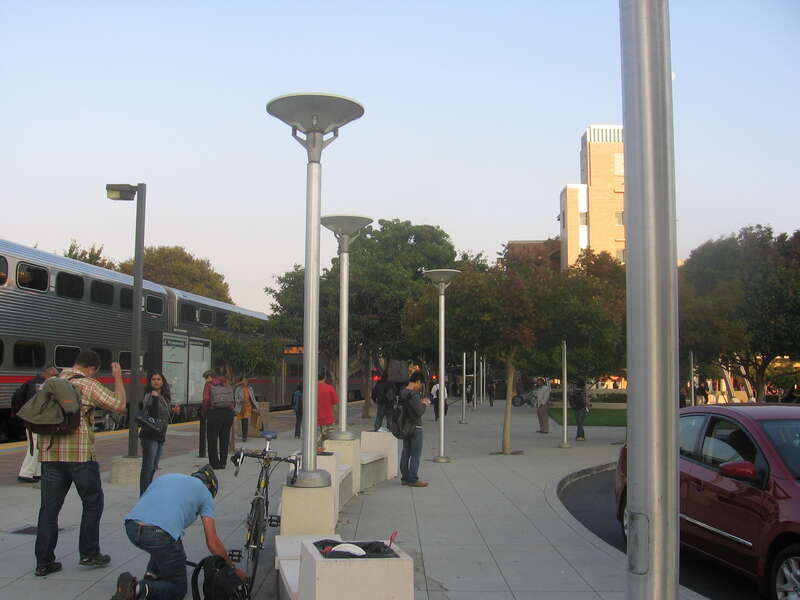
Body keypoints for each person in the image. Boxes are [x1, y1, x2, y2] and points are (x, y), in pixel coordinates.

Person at [34, 350, 126, 577]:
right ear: (92, 368)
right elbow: (119, 405)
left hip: (50, 455)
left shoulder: (50, 383)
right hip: (80, 456)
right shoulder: (88, 384)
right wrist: (118, 379)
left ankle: (44, 563)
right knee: (93, 503)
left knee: (49, 510)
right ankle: (89, 553)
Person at [112, 465, 247, 600]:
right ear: (209, 486)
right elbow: (212, 542)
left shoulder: (167, 477)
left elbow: (152, 511)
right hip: (158, 534)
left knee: (169, 548)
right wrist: (233, 569)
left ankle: (151, 576)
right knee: (178, 588)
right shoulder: (205, 493)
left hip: (131, 526)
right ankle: (137, 589)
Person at [12, 365, 59, 483]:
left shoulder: (32, 383)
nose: (56, 378)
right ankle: (25, 473)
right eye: (55, 376)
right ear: (48, 374)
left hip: (30, 420)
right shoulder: (40, 386)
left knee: (38, 446)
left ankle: (37, 473)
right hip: (36, 422)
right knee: (35, 447)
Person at [139, 372, 173, 496]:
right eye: (153, 379)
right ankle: (143, 494)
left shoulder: (164, 396)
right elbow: (152, 414)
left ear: (163, 382)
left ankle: (147, 492)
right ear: (150, 382)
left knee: (153, 467)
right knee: (147, 467)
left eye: (159, 379)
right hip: (149, 435)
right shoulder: (149, 395)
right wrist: (154, 398)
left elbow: (165, 415)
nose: (156, 381)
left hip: (160, 435)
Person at [399, 371, 431, 487]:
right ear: (417, 381)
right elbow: (419, 412)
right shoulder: (414, 394)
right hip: (415, 427)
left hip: (404, 427)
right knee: (416, 454)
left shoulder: (402, 392)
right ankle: (413, 479)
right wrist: (424, 403)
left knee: (405, 452)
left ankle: (404, 478)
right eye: (421, 384)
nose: (420, 387)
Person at [202, 371, 235, 469]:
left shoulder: (209, 385)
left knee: (212, 439)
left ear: (209, 377)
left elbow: (206, 399)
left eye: (206, 378)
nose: (205, 380)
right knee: (224, 438)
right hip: (228, 414)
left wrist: (204, 412)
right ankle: (223, 463)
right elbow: (232, 400)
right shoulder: (226, 384)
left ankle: (215, 464)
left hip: (215, 413)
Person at [317, 371, 339, 450]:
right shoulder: (330, 388)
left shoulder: (310, 389)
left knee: (316, 444)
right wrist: (335, 417)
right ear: (325, 377)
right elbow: (335, 405)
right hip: (328, 420)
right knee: (329, 443)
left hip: (314, 421)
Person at [234, 378, 257, 442]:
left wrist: (256, 406)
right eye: (243, 381)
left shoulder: (250, 388)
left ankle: (244, 437)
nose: (245, 382)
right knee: (242, 421)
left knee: (245, 421)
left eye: (246, 381)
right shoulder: (238, 389)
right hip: (241, 407)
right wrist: (240, 401)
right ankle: (243, 436)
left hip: (248, 407)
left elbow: (253, 398)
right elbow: (236, 399)